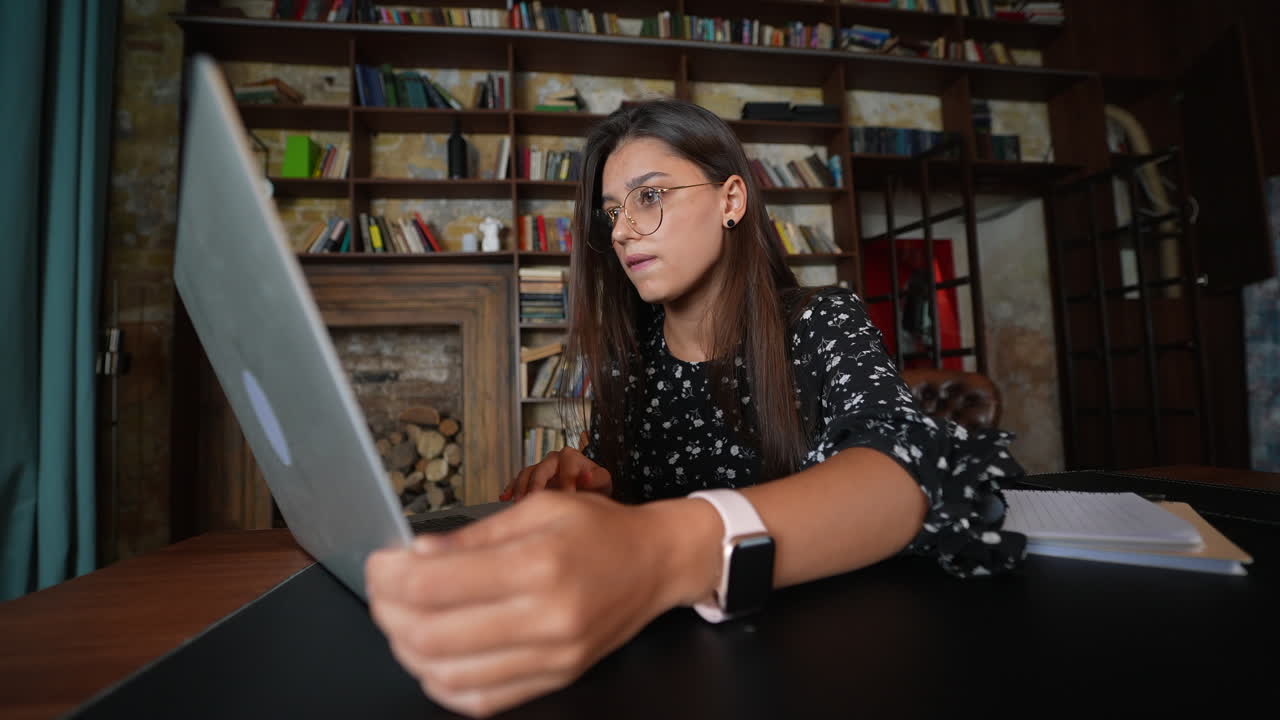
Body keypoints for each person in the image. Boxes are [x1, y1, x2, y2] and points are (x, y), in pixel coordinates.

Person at [365, 99, 1026, 718]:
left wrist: (663, 551)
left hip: (833, 664)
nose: (623, 231)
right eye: (612, 210)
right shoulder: (634, 356)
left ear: (730, 199)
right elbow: (632, 487)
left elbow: (900, 478)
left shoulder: (822, 319)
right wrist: (597, 480)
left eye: (649, 196)